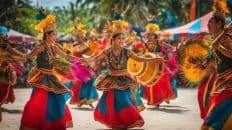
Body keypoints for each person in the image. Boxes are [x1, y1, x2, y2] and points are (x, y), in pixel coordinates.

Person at [83, 20, 163, 129]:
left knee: (125, 100)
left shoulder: (127, 51)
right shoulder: (108, 51)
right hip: (111, 79)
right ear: (114, 40)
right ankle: (117, 122)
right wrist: (86, 60)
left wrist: (154, 59)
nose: (121, 40)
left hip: (124, 79)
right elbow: (96, 59)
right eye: (119, 38)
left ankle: (128, 120)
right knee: (112, 103)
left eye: (122, 38)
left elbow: (139, 59)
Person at [20, 14, 88, 130]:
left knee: (56, 101)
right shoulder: (40, 47)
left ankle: (51, 125)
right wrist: (16, 56)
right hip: (41, 78)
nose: (56, 36)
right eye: (54, 34)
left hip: (51, 78)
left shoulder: (54, 47)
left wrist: (82, 59)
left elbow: (66, 56)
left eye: (56, 34)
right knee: (39, 102)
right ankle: (37, 124)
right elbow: (28, 57)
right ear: (47, 35)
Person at [201, 11, 232, 130]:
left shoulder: (226, 39)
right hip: (221, 81)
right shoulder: (216, 39)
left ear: (219, 24)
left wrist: (218, 46)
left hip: (229, 81)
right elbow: (216, 59)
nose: (208, 25)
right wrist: (203, 64)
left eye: (211, 22)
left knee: (218, 110)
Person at [141, 21, 176, 107]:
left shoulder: (159, 42)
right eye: (147, 35)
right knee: (151, 82)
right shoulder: (145, 44)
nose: (148, 36)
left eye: (150, 35)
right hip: (151, 65)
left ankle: (163, 97)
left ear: (154, 35)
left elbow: (171, 48)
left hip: (160, 65)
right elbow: (143, 54)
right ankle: (155, 99)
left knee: (162, 81)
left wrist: (174, 50)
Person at [69, 23, 98, 108]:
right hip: (76, 66)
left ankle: (89, 99)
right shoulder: (74, 46)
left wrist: (90, 63)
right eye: (78, 37)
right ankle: (82, 100)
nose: (79, 38)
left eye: (81, 37)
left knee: (91, 80)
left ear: (83, 37)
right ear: (76, 37)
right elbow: (71, 57)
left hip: (85, 66)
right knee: (79, 84)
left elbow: (90, 56)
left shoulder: (87, 46)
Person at [0, 26, 24, 122]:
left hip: (5, 73)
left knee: (3, 95)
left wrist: (23, 56)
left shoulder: (6, 46)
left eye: (2, 36)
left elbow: (14, 52)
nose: (2, 38)